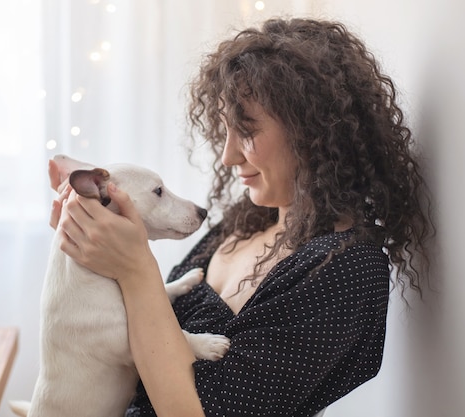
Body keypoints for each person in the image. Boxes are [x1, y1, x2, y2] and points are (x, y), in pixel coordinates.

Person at [50, 18, 433, 417]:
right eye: (225, 130)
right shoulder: (244, 221)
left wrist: (133, 268)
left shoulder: (347, 270)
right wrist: (89, 251)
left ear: (314, 130)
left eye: (246, 130)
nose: (228, 156)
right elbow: (134, 332)